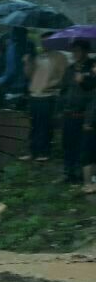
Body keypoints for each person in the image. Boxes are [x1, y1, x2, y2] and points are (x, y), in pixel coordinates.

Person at [59, 40, 95, 185]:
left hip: (85, 114)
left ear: (86, 51)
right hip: (69, 112)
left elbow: (93, 90)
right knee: (68, 144)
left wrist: (83, 81)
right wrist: (61, 106)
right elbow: (64, 88)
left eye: (78, 50)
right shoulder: (70, 68)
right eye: (73, 51)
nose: (75, 53)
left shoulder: (92, 67)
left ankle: (82, 175)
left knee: (84, 146)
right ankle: (68, 172)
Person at [26, 44, 68, 163]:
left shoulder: (59, 56)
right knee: (33, 125)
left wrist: (49, 86)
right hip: (34, 94)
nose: (44, 43)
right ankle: (33, 151)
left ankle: (44, 152)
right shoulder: (38, 57)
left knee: (45, 125)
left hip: (48, 95)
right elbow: (29, 75)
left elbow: (63, 77)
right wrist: (28, 62)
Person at [0, 26, 35, 111]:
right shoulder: (30, 44)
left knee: (8, 115)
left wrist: (1, 81)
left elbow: (11, 70)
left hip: (11, 88)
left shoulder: (13, 45)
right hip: (27, 88)